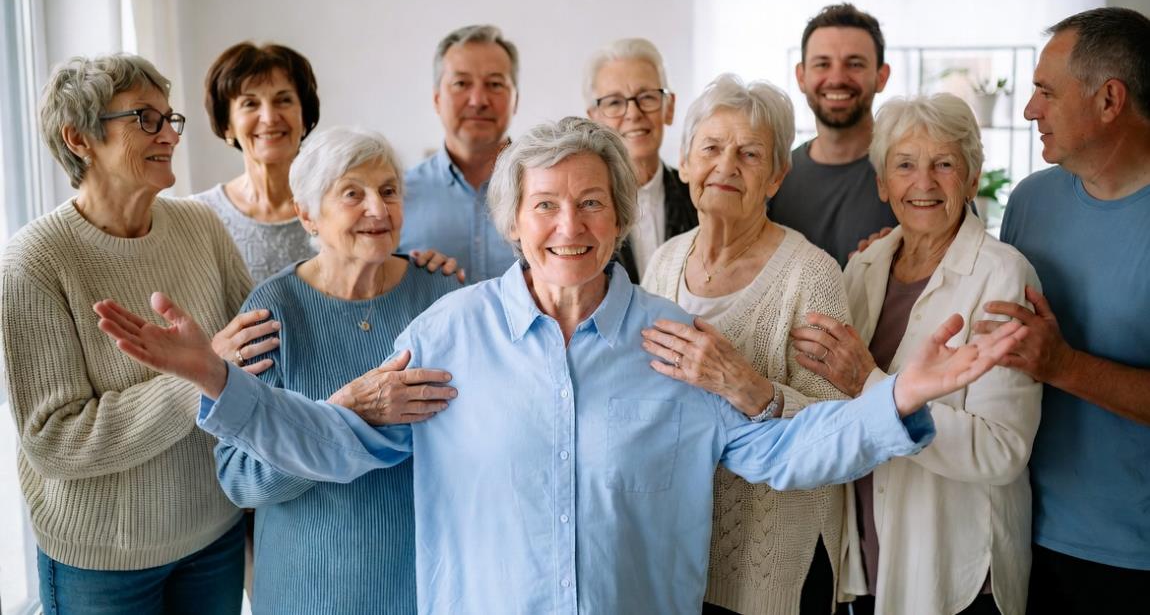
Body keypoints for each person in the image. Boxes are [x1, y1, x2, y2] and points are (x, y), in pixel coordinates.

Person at [95, 117, 1030, 615]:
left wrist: (900, 395)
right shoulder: (455, 332)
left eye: (591, 203)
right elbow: (337, 442)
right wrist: (217, 380)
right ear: (513, 222)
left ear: (620, 218)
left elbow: (782, 452)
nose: (568, 226)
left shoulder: (673, 341)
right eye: (544, 205)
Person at [1, 54, 279, 614]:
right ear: (79, 138)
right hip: (101, 563)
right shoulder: (33, 263)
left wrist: (388, 266)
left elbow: (263, 346)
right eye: (144, 119)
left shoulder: (201, 227)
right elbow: (55, 440)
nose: (169, 135)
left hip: (214, 533)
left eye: (169, 118)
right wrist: (199, 377)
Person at [791, 94, 1042, 615]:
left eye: (944, 164)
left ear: (972, 180)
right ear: (883, 183)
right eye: (904, 165)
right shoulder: (863, 267)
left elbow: (1001, 449)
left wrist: (871, 383)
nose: (923, 183)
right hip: (872, 554)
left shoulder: (1002, 274)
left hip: (955, 567)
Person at [214, 127, 460, 614]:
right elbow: (239, 477)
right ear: (307, 213)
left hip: (428, 582)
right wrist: (344, 415)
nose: (378, 209)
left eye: (388, 190)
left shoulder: (440, 294)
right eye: (353, 193)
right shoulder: (272, 311)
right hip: (310, 587)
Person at [641, 74, 850, 615]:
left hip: (772, 564)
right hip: (676, 552)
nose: (727, 165)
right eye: (711, 148)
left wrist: (748, 387)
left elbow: (838, 436)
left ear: (777, 176)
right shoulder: (664, 261)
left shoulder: (813, 276)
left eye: (750, 154)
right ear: (684, 163)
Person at [972, 7, 1150, 614]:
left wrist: (1064, 366)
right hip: (1025, 532)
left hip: (1133, 557)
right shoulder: (1030, 201)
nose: (1029, 110)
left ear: (1109, 100)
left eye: (1046, 92)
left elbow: (1048, 359)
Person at [769, 3, 897, 266]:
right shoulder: (774, 179)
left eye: (855, 64)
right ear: (801, 76)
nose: (837, 78)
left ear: (881, 76)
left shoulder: (917, 174)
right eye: (822, 64)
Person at [396, 24, 520, 281]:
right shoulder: (398, 197)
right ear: (437, 99)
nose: (478, 100)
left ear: (515, 100)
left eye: (495, 84)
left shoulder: (548, 191)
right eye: (461, 83)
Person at [192, 42, 321, 283]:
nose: (270, 118)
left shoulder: (339, 203)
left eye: (283, 100)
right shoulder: (198, 216)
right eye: (250, 104)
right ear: (227, 125)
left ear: (304, 116)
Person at [585, 37, 697, 282]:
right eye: (615, 102)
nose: (634, 114)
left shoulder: (699, 198)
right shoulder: (581, 211)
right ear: (594, 119)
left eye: (646, 97)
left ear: (669, 107)